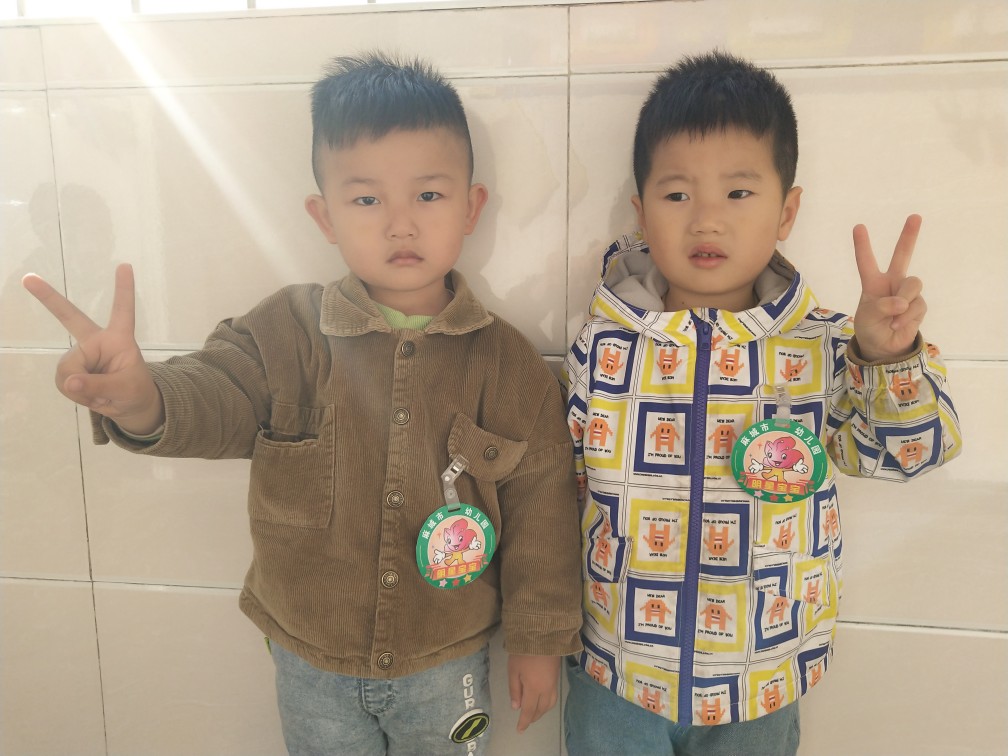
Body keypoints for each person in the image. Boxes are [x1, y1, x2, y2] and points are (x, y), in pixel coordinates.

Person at [23, 52, 582, 755]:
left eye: (428, 196)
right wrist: (141, 399)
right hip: (309, 658)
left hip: (446, 658)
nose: (400, 224)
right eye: (367, 200)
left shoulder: (508, 364)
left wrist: (538, 640)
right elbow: (218, 393)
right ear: (325, 216)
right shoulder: (284, 333)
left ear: (471, 207)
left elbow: (543, 510)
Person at [562, 50, 961, 756]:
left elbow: (911, 454)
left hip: (763, 679)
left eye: (739, 192)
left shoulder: (827, 346)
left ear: (787, 210)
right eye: (677, 195)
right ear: (641, 211)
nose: (707, 220)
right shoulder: (602, 346)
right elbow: (553, 494)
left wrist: (888, 358)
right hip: (616, 671)